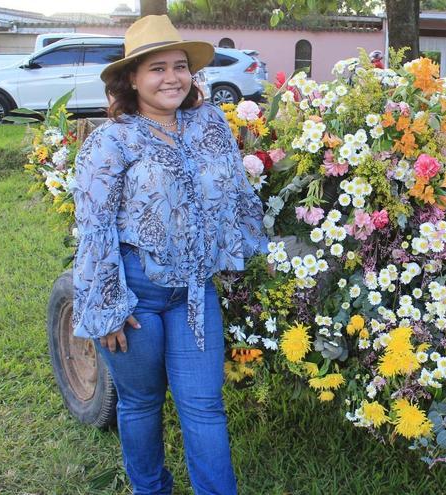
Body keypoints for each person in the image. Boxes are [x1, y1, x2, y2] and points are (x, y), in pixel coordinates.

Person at [72, 15, 269, 494]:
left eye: (180, 66)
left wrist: (237, 250)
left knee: (204, 405)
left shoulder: (211, 124)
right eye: (156, 68)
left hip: (195, 292)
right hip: (135, 293)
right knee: (140, 404)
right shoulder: (112, 140)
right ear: (131, 79)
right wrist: (107, 307)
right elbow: (94, 227)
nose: (172, 78)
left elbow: (237, 192)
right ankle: (151, 489)